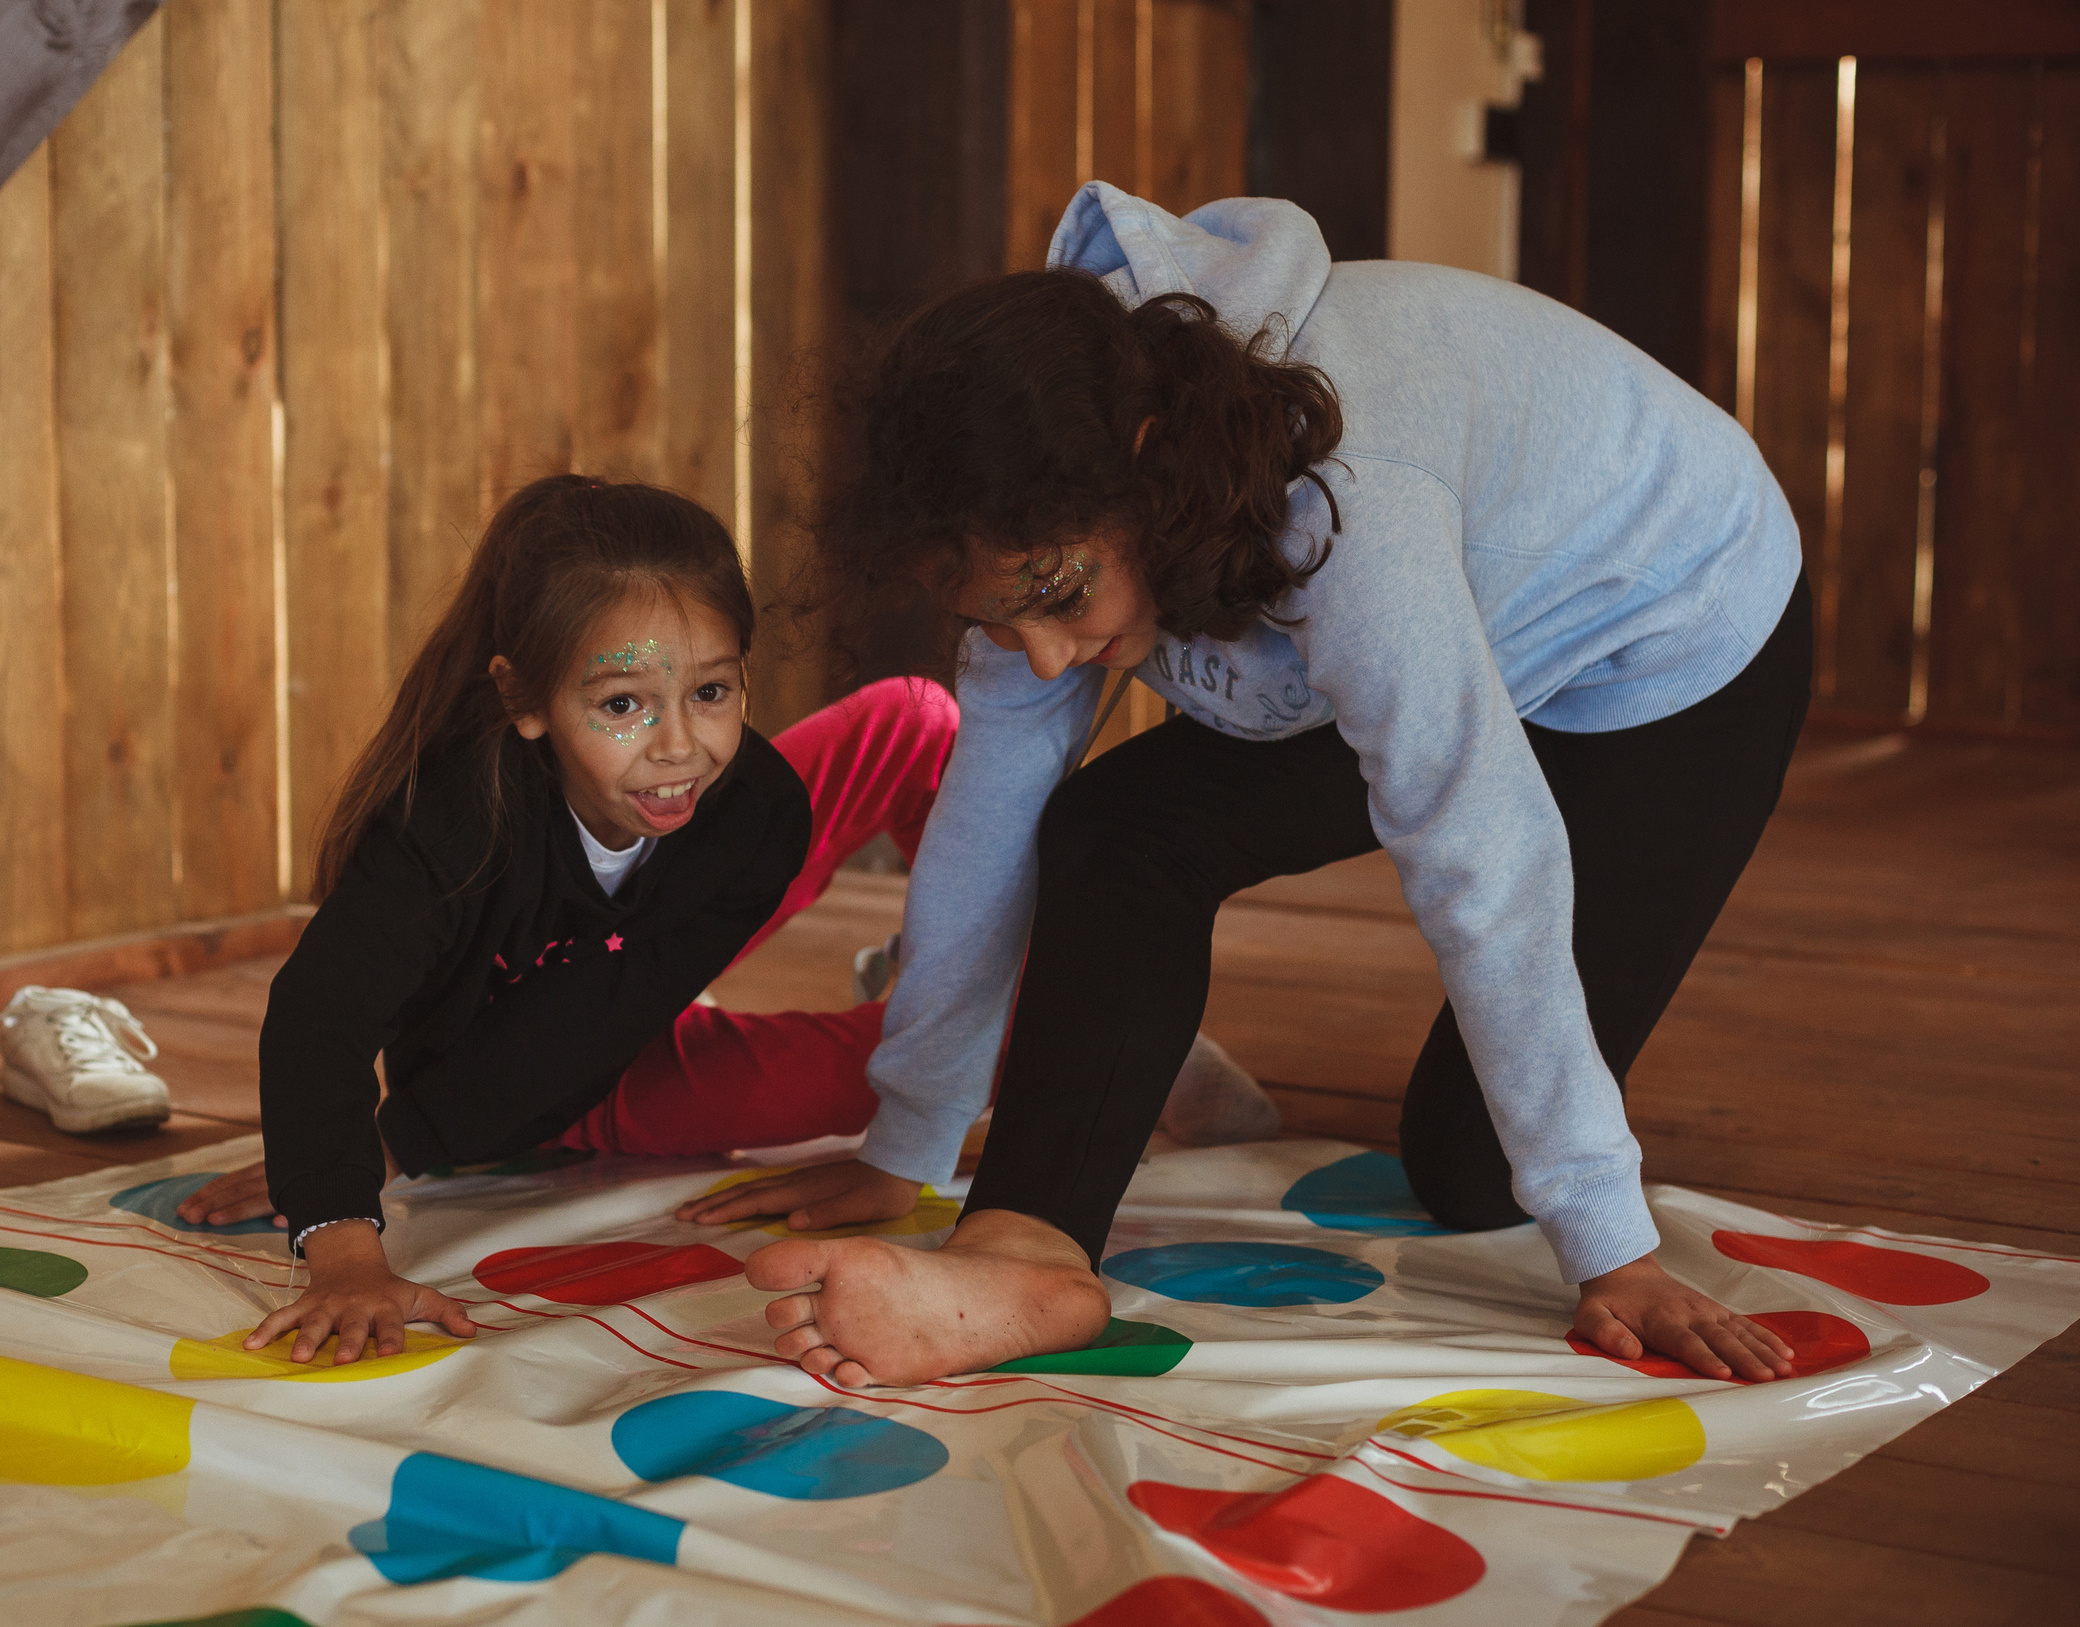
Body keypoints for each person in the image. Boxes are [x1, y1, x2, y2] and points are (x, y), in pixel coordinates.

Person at [719, 183, 1814, 1390]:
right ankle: (1027, 1253)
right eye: (997, 620)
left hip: (1664, 639)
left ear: (1147, 475)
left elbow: (1480, 851)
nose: (1040, 653)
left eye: (1061, 600)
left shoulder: (1348, 511)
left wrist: (1613, 1248)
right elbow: (988, 822)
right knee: (1114, 828)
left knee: (1470, 1168)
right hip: (1460, 618)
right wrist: (912, 1136)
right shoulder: (1035, 499)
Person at [179, 471, 1277, 1366]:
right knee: (903, 1069)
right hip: (565, 1075)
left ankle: (1013, 989)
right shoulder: (448, 829)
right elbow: (321, 1020)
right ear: (524, 702)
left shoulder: (741, 802)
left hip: (653, 945)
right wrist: (349, 1205)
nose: (677, 746)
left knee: (907, 722)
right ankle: (1075, 1034)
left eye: (711, 692)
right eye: (621, 706)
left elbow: (647, 965)